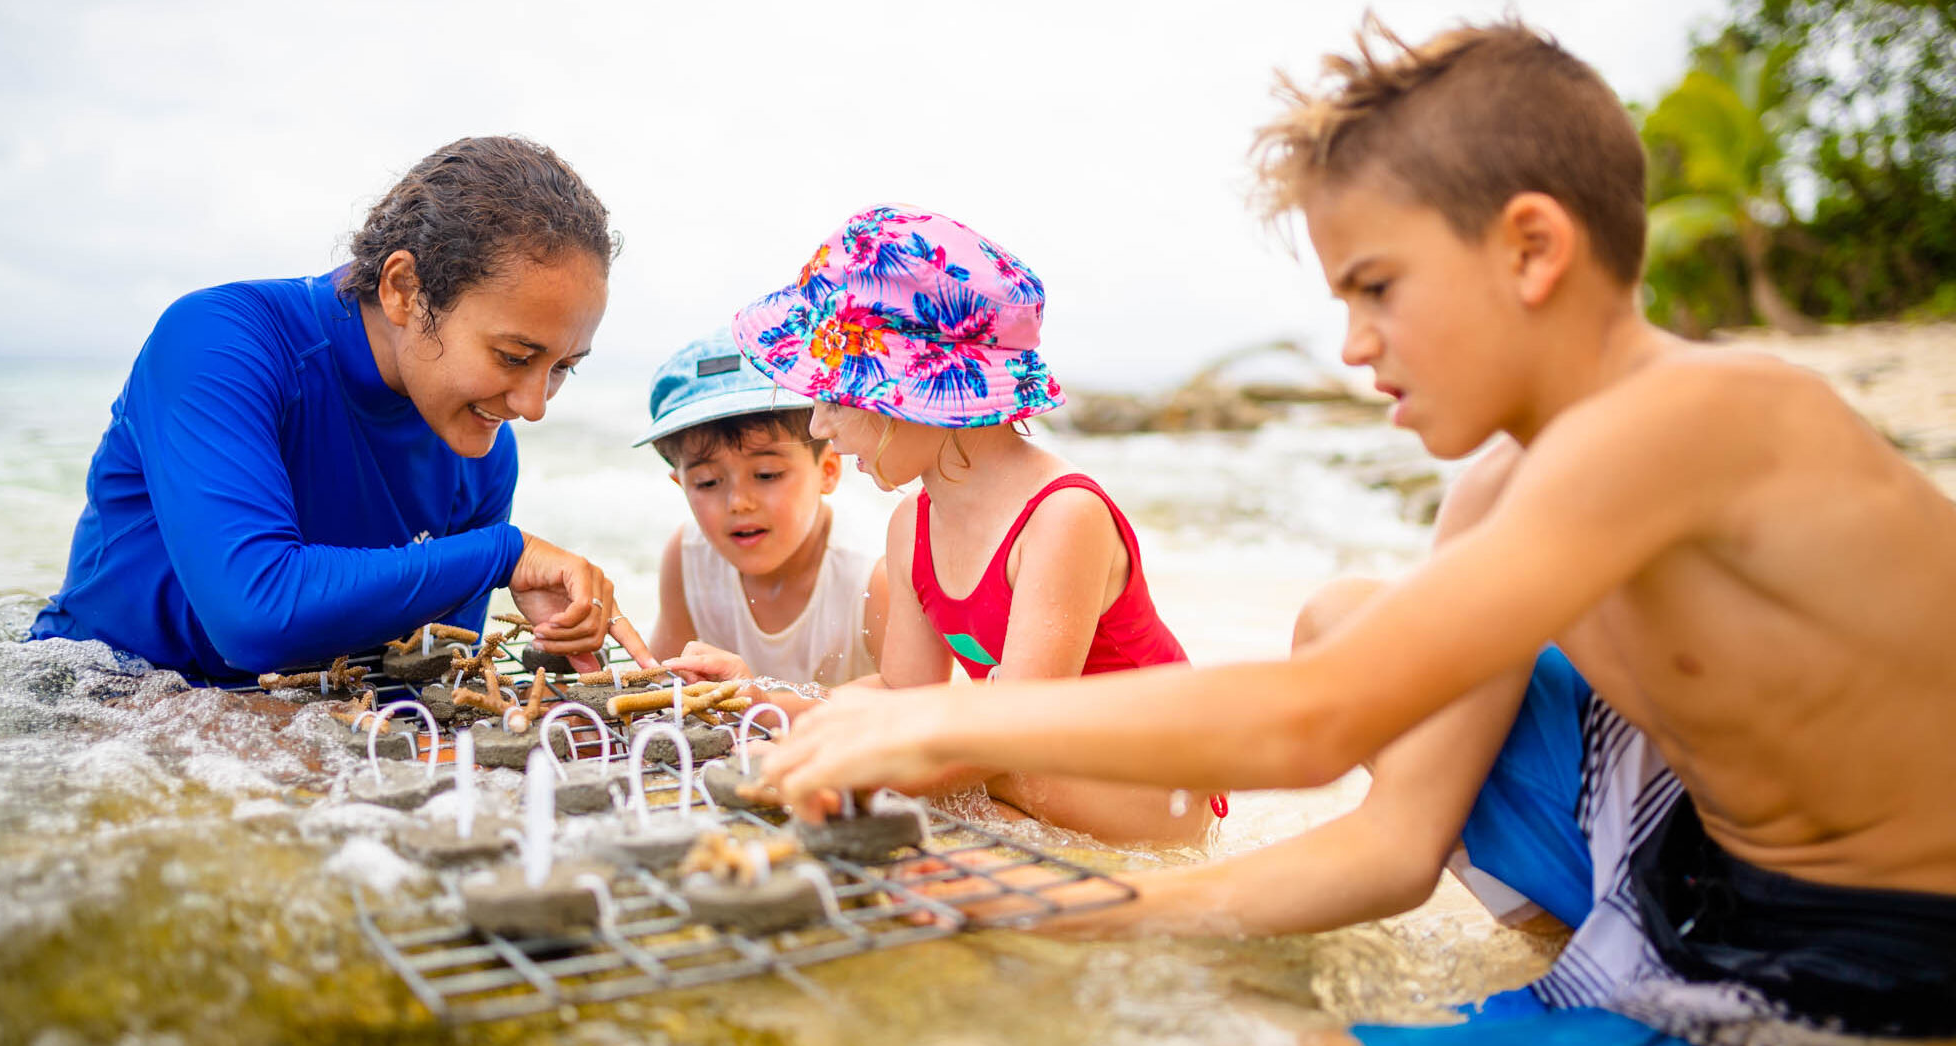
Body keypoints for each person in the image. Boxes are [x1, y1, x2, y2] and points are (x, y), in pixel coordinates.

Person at [756, 22, 1956, 1043]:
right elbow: (1391, 842)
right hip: (1679, 854)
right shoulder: (1495, 488)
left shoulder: (1700, 412)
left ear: (1531, 247)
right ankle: (1564, 936)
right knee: (1354, 619)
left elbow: (1314, 720)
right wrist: (1089, 904)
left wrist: (939, 716)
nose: (1350, 345)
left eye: (1375, 288)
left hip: (1877, 930)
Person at [30, 136, 657, 683]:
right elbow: (256, 617)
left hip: (276, 735)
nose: (533, 405)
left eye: (563, 369)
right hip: (93, 715)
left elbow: (416, 675)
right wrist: (501, 556)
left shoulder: (482, 451)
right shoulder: (218, 342)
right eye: (515, 355)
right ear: (404, 288)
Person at [730, 204, 1215, 848]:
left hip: (1153, 785)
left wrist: (841, 759)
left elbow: (1014, 730)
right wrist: (760, 701)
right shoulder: (911, 525)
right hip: (1036, 761)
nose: (819, 428)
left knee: (941, 779)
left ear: (917, 392)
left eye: (836, 396)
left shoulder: (1062, 516)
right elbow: (904, 691)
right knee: (917, 770)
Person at [635, 329, 887, 694]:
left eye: (767, 474)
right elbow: (661, 681)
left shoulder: (872, 575)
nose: (739, 501)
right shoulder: (688, 557)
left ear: (828, 470)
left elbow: (911, 700)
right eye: (707, 482)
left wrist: (760, 700)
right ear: (681, 485)